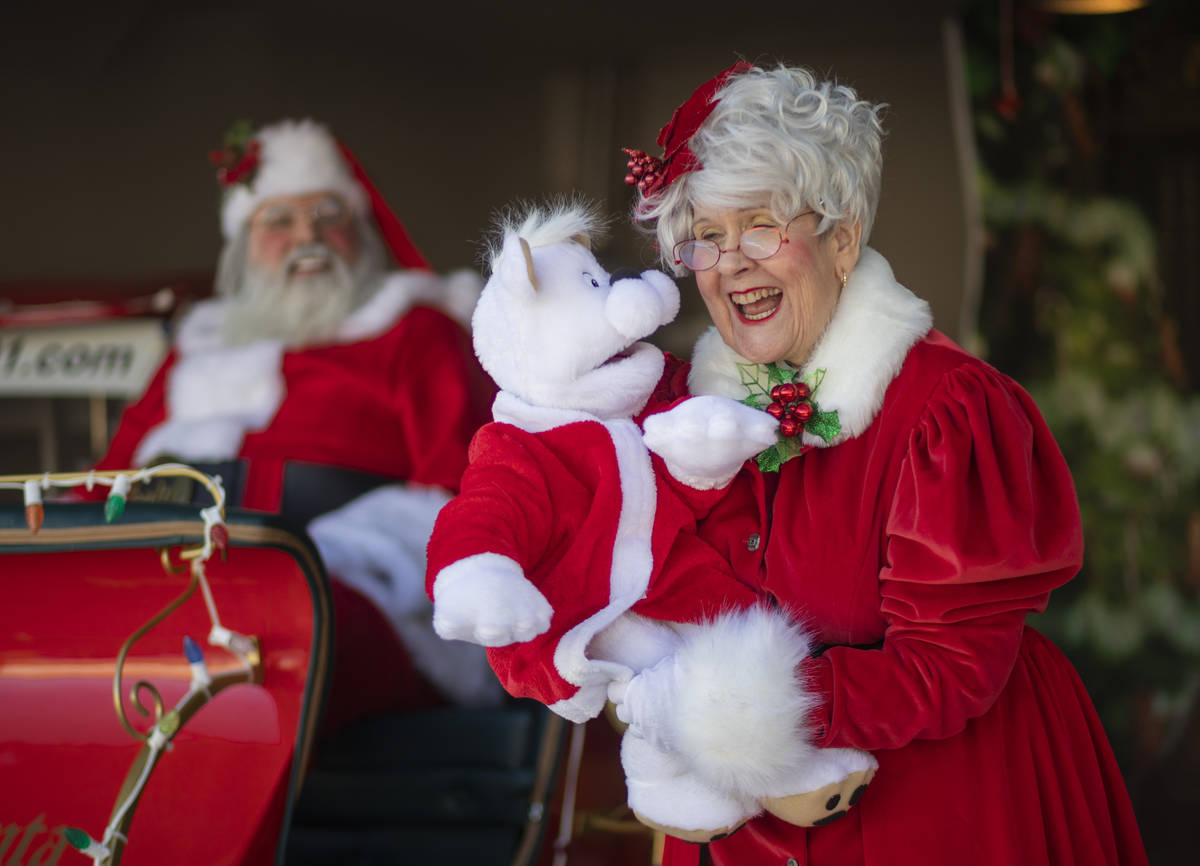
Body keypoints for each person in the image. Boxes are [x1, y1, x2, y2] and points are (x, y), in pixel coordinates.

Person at [604, 62, 1149, 866]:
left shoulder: (948, 410)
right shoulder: (678, 411)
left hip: (937, 810)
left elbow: (949, 669)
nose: (732, 263)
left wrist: (727, 708)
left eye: (761, 225)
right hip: (741, 829)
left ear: (844, 237)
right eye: (707, 238)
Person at [92, 118, 503, 732]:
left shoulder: (418, 333)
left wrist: (311, 562)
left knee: (260, 630)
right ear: (243, 244)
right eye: (279, 220)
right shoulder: (195, 346)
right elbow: (103, 485)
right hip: (168, 575)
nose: (307, 236)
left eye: (328, 215)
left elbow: (461, 496)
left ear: (360, 231)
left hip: (357, 589)